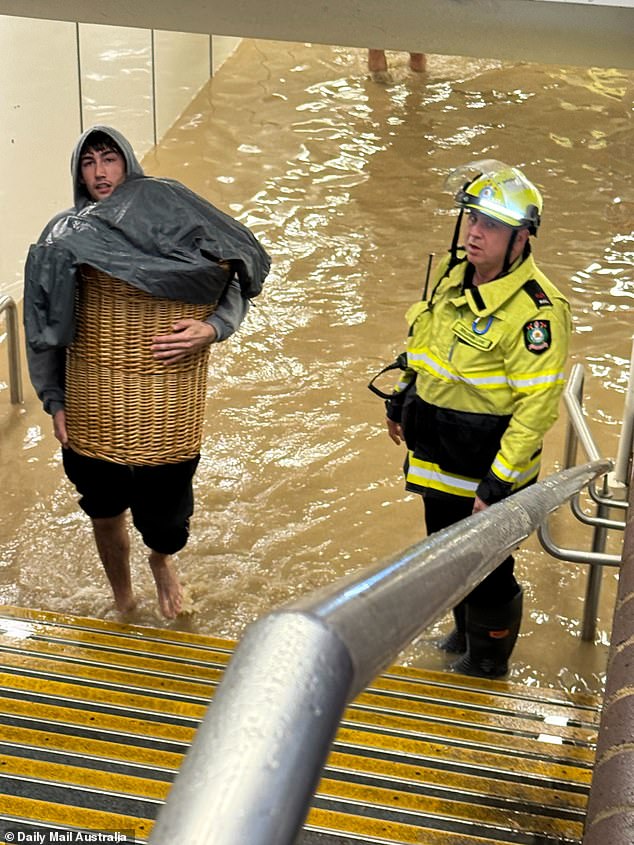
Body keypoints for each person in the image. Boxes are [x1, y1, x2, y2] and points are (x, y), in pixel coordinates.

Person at [24, 125, 270, 620]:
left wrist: (214, 328)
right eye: (88, 162)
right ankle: (123, 600)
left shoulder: (169, 220)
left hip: (166, 410)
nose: (99, 172)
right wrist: (55, 400)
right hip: (93, 404)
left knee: (166, 520)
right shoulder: (65, 238)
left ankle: (161, 561)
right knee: (103, 508)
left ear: (128, 164)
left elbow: (234, 273)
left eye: (109, 159)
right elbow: (43, 322)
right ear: (78, 173)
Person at [383, 160, 571, 678]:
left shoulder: (536, 313)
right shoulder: (452, 278)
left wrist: (499, 483)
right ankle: (464, 634)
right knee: (445, 554)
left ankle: (486, 666)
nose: (474, 234)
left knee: (488, 572)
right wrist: (402, 398)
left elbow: (536, 411)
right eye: (471, 220)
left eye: (490, 225)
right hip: (440, 458)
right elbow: (424, 349)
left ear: (521, 239)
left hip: (486, 469)